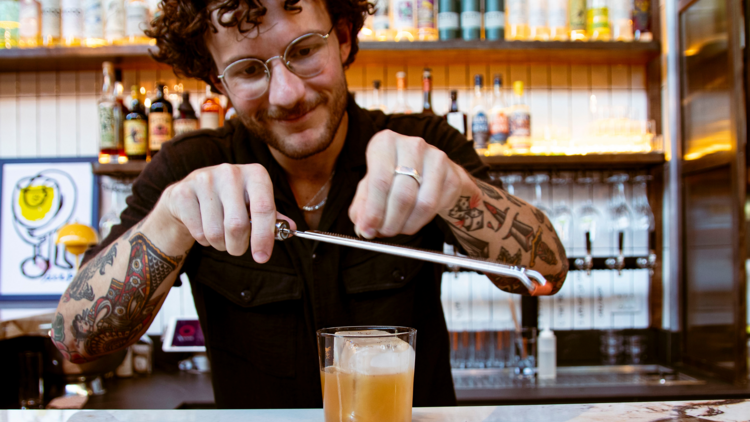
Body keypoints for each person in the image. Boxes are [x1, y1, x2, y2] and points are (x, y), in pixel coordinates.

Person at [52, 0, 568, 409]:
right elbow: (76, 344)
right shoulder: (188, 169)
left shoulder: (424, 145)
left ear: (343, 37)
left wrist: (456, 189)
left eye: (302, 50)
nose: (286, 93)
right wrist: (167, 223)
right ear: (218, 82)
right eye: (249, 70)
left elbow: (547, 271)